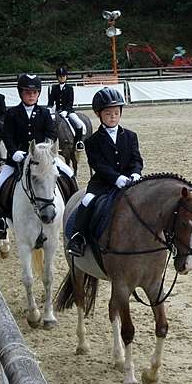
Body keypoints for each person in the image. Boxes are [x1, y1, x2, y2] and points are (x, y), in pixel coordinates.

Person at [0, 74, 74, 237]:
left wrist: (47, 150)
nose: (31, 96)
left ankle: (72, 215)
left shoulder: (44, 113)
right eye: (28, 92)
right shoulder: (12, 113)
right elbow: (8, 136)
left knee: (69, 175)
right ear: (21, 93)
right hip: (17, 159)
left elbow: (51, 133)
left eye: (34, 93)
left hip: (43, 159)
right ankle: (0, 219)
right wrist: (14, 152)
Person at [67, 87, 143, 257]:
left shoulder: (131, 136)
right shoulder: (92, 141)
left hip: (130, 181)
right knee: (86, 201)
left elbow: (136, 160)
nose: (113, 117)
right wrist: (116, 179)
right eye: (108, 113)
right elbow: (98, 165)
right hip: (102, 183)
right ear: (99, 114)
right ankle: (78, 236)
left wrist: (136, 173)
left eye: (116, 113)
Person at [47, 66, 86, 151]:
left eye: (63, 76)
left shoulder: (69, 88)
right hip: (57, 112)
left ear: (66, 77)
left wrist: (66, 111)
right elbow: (51, 102)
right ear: (57, 77)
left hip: (68, 112)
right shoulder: (54, 88)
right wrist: (49, 108)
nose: (61, 78)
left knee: (78, 123)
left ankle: (79, 142)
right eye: (60, 76)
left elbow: (70, 102)